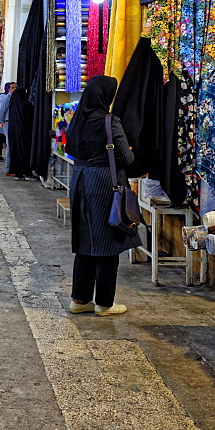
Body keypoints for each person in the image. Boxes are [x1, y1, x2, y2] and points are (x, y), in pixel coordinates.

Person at [65, 75, 141, 317]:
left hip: (79, 180)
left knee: (85, 240)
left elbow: (69, 148)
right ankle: (105, 303)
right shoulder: (109, 121)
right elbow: (127, 159)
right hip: (103, 184)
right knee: (109, 240)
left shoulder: (77, 120)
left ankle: (79, 299)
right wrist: (128, 150)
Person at [7, 86, 34, 180]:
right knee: (24, 151)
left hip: (13, 131)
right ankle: (27, 172)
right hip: (24, 132)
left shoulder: (13, 103)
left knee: (15, 151)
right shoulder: (25, 104)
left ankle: (18, 173)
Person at [0, 83, 14, 173]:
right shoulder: (6, 98)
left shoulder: (15, 98)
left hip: (10, 122)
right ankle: (9, 168)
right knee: (9, 144)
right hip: (7, 122)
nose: (14, 89)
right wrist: (2, 121)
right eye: (12, 88)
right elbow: (1, 112)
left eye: (16, 88)